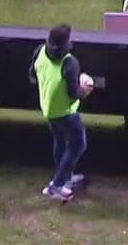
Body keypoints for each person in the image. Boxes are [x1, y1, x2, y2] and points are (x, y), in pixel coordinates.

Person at [29, 23, 94, 202]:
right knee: (78, 145)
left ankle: (66, 177)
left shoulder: (39, 52)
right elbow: (74, 93)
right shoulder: (70, 62)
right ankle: (57, 185)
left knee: (60, 141)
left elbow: (32, 75)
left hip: (49, 110)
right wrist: (85, 89)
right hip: (67, 112)